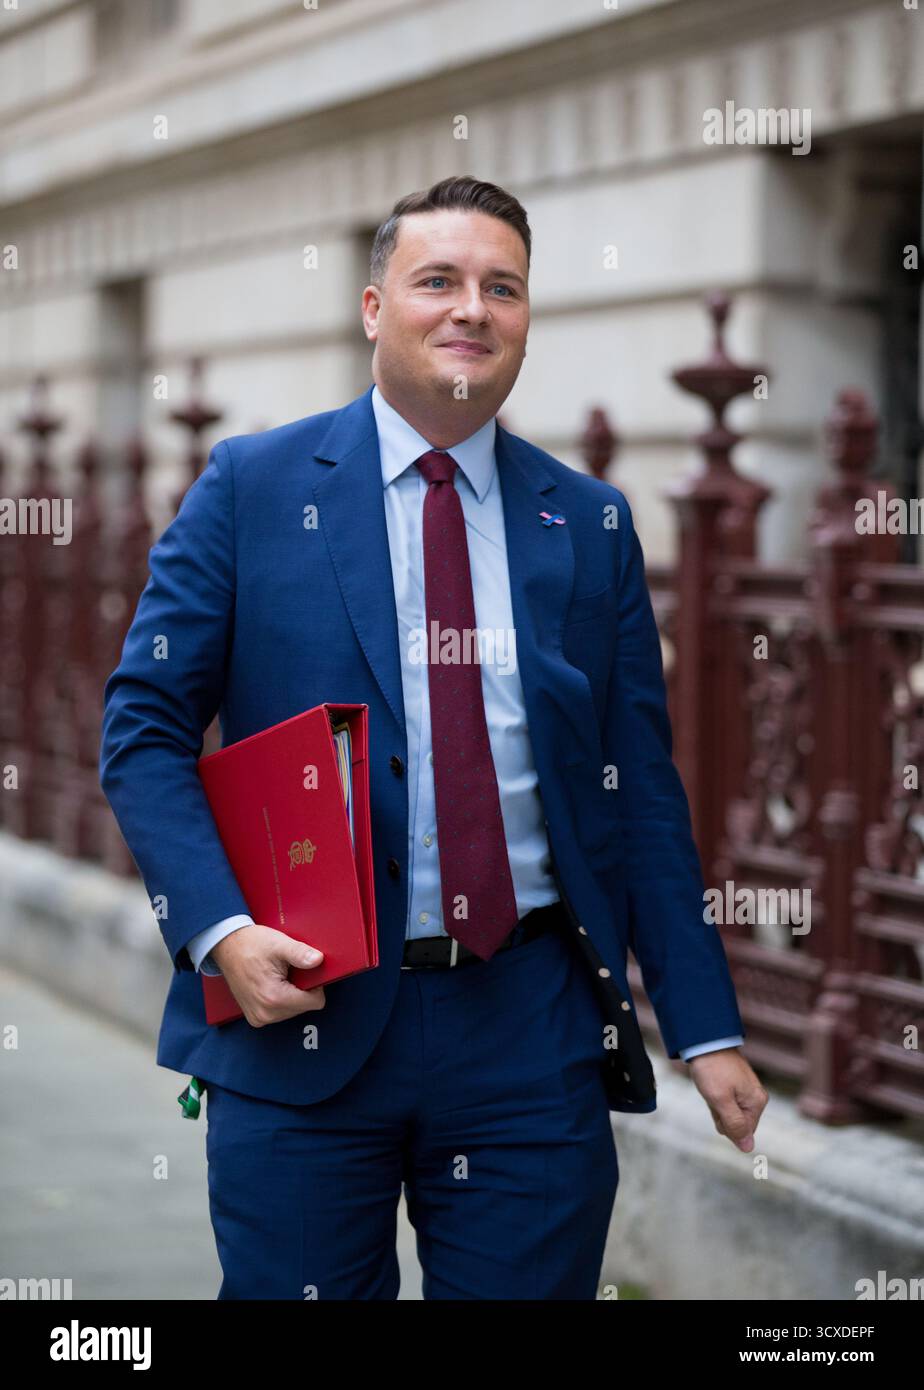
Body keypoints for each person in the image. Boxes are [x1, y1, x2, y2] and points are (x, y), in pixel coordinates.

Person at [99, 175, 766, 1301]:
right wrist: (218, 931)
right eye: (438, 281)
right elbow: (142, 725)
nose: (472, 308)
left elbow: (639, 790)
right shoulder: (254, 488)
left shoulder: (588, 521)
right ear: (373, 307)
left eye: (501, 287)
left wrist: (704, 1027)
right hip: (306, 1019)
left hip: (527, 1032)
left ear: (525, 319)